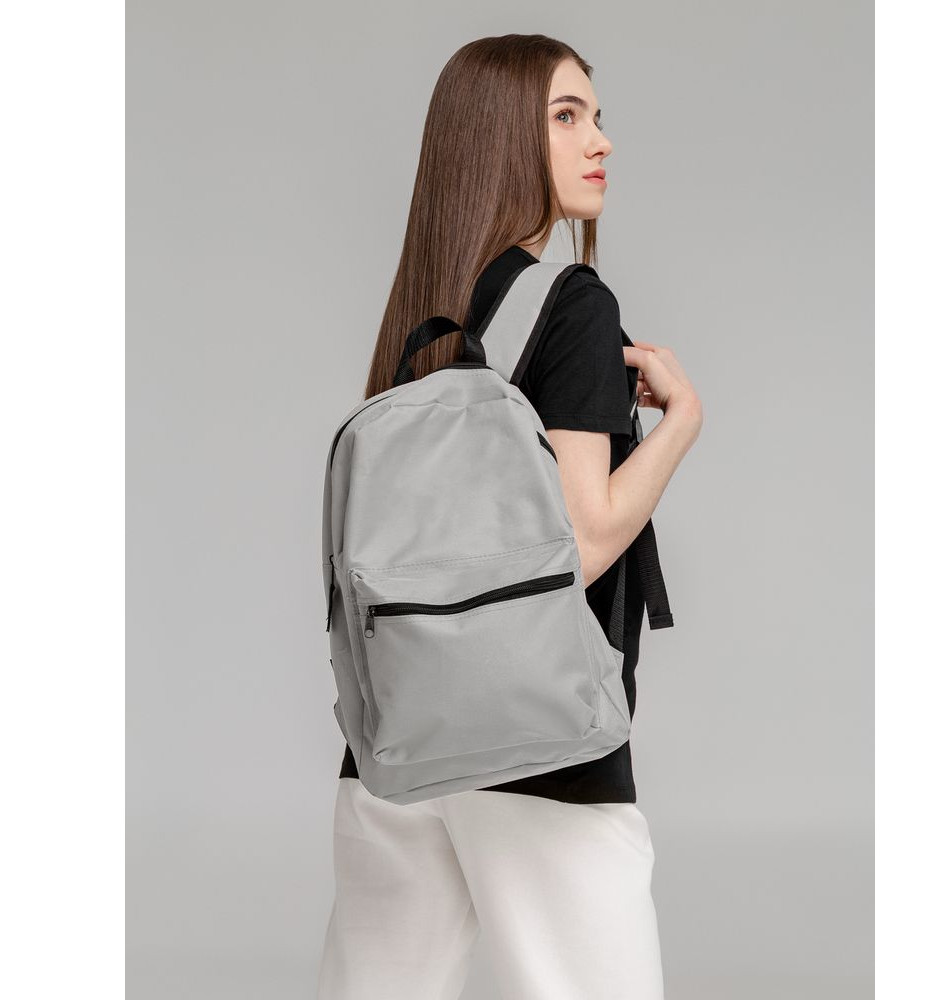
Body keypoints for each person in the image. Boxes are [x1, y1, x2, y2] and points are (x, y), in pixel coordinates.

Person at [317, 33, 702, 1000]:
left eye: (597, 116)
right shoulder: (571, 306)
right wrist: (682, 426)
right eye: (566, 117)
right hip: (540, 745)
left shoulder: (429, 312)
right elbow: (580, 542)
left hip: (397, 742)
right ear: (499, 140)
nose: (599, 140)